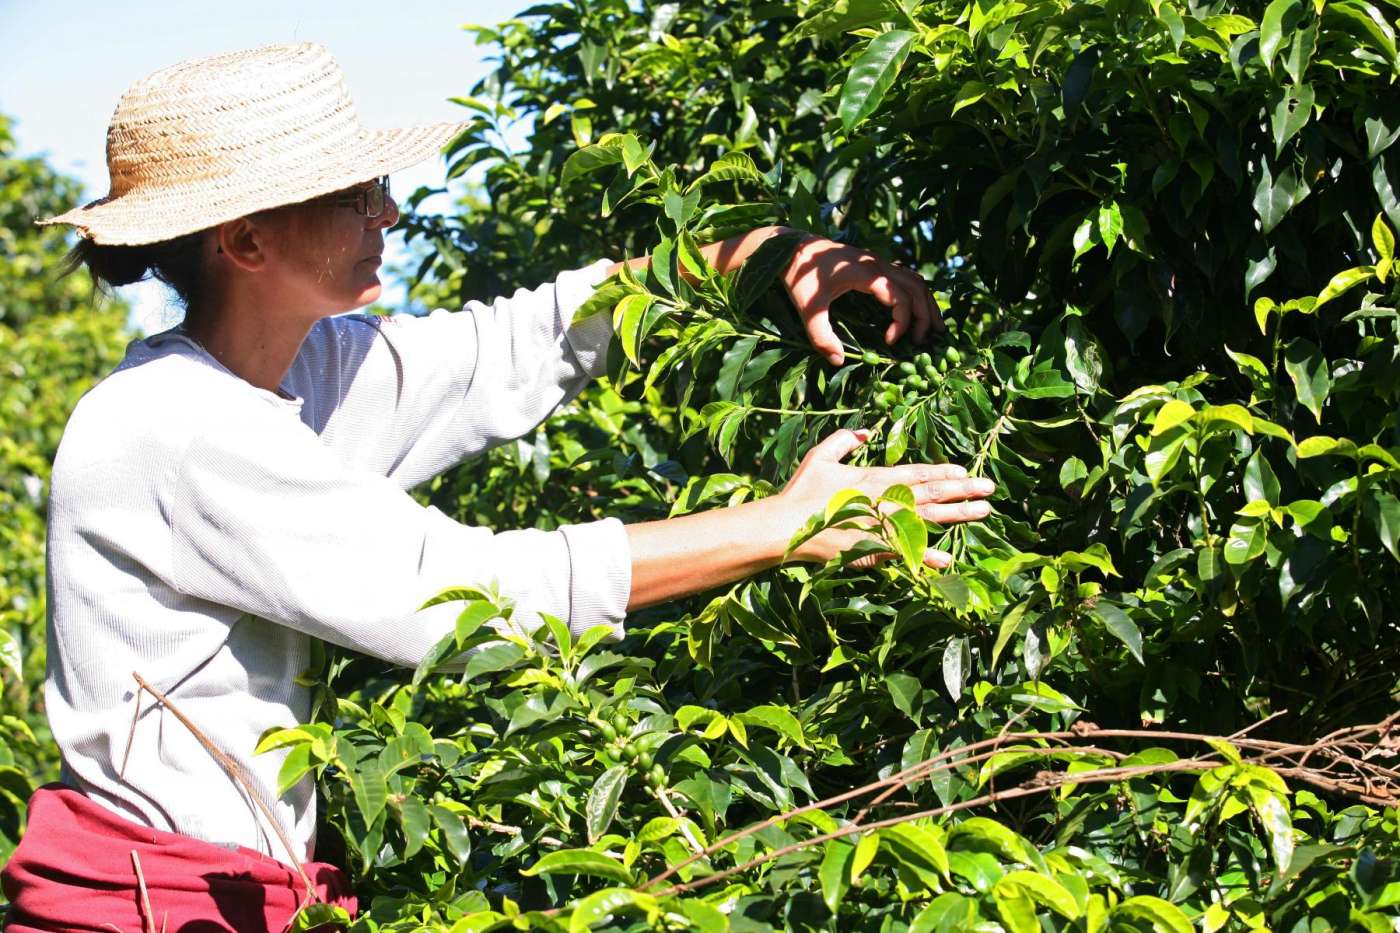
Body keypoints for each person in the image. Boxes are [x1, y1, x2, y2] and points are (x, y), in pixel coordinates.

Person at [0, 43, 995, 930]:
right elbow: (460, 598)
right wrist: (784, 525)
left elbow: (518, 345)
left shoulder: (300, 371)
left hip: (242, 897)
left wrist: (759, 254)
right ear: (246, 242)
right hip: (147, 910)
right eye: (351, 194)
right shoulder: (176, 426)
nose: (386, 211)